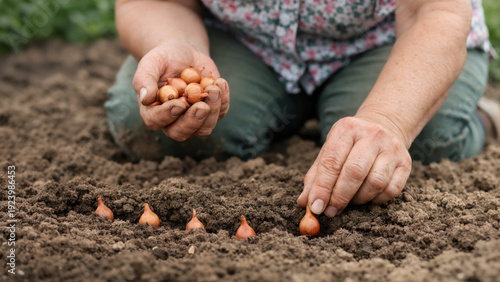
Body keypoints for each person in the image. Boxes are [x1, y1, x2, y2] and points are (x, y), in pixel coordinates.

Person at [107, 0, 499, 217]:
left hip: (384, 40)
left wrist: (389, 120)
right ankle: (285, 112)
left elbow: (432, 12)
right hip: (240, 38)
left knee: (410, 149)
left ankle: (481, 117)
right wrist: (179, 45)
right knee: (154, 128)